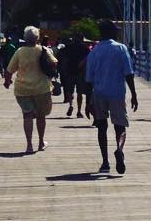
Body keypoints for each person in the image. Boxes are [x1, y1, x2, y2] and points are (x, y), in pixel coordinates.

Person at [83, 22, 139, 174]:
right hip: (117, 93)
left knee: (101, 127)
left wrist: (88, 101)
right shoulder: (121, 48)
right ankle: (119, 149)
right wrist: (133, 94)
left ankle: (105, 162)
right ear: (113, 33)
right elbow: (128, 72)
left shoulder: (94, 52)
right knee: (120, 126)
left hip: (99, 93)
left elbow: (89, 79)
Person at [4, 26, 57, 153]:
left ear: (25, 38)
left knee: (27, 116)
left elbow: (9, 70)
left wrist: (7, 81)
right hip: (42, 88)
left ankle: (29, 145)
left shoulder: (20, 51)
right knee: (41, 116)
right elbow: (54, 63)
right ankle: (40, 142)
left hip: (23, 89)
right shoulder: (44, 49)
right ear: (37, 38)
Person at [59, 33, 89, 119]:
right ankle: (79, 111)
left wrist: (63, 70)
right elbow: (88, 59)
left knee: (69, 91)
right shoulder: (85, 48)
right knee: (79, 93)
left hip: (70, 71)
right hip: (80, 72)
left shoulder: (68, 47)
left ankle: (71, 105)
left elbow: (63, 57)